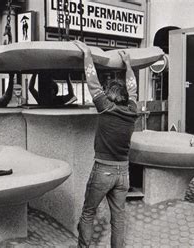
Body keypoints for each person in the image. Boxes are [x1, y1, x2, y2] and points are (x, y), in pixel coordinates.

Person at [73, 40, 138, 248]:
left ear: (110, 95)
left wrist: (87, 55)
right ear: (125, 98)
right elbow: (133, 89)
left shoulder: (105, 107)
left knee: (88, 212)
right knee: (118, 218)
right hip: (124, 173)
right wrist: (128, 65)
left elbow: (93, 82)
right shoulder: (132, 111)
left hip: (103, 170)